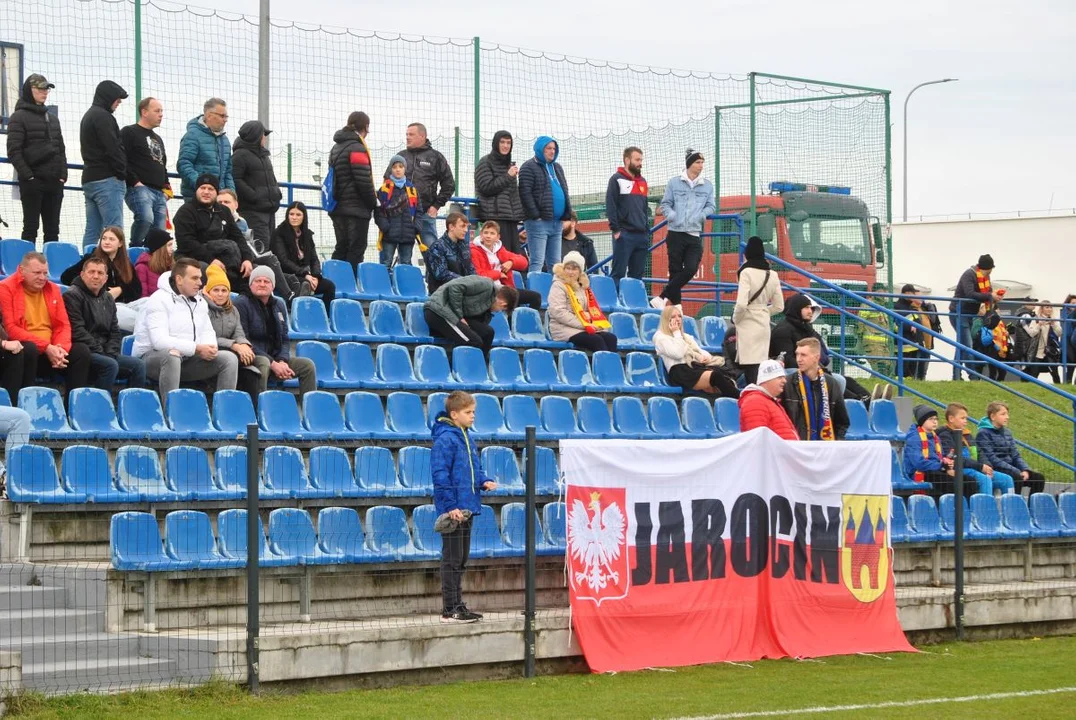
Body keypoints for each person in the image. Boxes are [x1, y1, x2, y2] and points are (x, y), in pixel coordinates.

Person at [432, 390, 497, 623]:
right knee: (451, 558)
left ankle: (458, 604)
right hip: (454, 509)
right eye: (468, 412)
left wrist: (483, 481)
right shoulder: (446, 439)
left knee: (461, 558)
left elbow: (473, 468)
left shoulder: (467, 436)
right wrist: (450, 506)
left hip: (468, 507)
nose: (473, 416)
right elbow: (440, 475)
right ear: (454, 413)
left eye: (474, 412)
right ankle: (450, 609)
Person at [132, 258, 238, 400]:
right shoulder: (158, 299)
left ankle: (224, 415)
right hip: (151, 359)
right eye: (195, 278)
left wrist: (209, 348)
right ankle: (170, 413)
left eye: (200, 278)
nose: (200, 283)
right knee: (172, 356)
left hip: (187, 358)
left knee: (229, 359)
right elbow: (159, 341)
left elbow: (207, 331)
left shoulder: (200, 301)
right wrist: (197, 348)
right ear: (179, 279)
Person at [0, 252, 93, 396]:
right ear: (22, 270)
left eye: (45, 273)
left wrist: (59, 348)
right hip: (28, 352)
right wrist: (46, 347)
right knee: (28, 348)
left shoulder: (53, 289)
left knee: (81, 351)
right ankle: (24, 402)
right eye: (37, 273)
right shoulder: (5, 288)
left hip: (52, 352)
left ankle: (73, 409)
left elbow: (63, 325)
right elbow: (11, 329)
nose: (42, 278)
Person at [769, 292, 881, 402]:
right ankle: (859, 402)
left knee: (844, 380)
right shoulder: (783, 330)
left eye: (811, 308)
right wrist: (812, 367)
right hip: (792, 371)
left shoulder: (806, 328)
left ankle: (869, 399)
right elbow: (787, 360)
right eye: (807, 308)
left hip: (810, 368)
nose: (810, 311)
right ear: (797, 309)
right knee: (833, 381)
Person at [62, 255, 146, 391]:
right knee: (110, 365)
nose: (96, 276)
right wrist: (102, 352)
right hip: (83, 351)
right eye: (91, 272)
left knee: (139, 365)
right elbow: (77, 331)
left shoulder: (108, 298)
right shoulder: (72, 295)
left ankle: (132, 407)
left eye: (100, 273)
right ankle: (101, 406)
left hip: (105, 352)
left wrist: (110, 351)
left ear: (106, 278)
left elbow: (114, 331)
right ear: (82, 275)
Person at [235, 266, 317, 396]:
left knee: (307, 366)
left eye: (266, 281)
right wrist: (273, 363)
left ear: (273, 286)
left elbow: (284, 338)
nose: (262, 284)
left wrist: (282, 360)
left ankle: (310, 411)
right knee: (264, 363)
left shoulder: (278, 304)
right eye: (258, 281)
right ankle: (259, 410)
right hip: (253, 358)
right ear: (250, 284)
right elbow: (244, 340)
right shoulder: (241, 303)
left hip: (276, 360)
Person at [6, 74, 67, 243]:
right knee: (31, 227)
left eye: (46, 88)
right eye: (40, 88)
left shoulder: (53, 119)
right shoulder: (18, 117)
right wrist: (29, 176)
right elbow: (13, 151)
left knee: (53, 230)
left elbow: (61, 149)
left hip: (54, 181)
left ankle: (52, 267)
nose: (44, 92)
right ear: (29, 90)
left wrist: (63, 175)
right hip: (32, 181)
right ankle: (28, 268)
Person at [653, 149, 716, 310]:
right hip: (675, 232)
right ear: (689, 164)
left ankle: (661, 297)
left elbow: (711, 206)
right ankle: (678, 308)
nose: (701, 166)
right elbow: (665, 204)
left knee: (690, 268)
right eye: (697, 162)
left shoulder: (707, 185)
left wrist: (702, 215)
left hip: (694, 234)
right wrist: (672, 215)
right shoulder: (674, 183)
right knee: (674, 271)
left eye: (702, 162)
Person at [172, 174, 254, 290]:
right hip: (193, 257)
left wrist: (247, 259)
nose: (206, 192)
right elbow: (187, 243)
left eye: (210, 189)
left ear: (216, 192)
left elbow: (238, 237)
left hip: (224, 256)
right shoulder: (185, 212)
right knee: (207, 269)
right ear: (197, 190)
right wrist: (211, 259)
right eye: (203, 188)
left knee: (256, 271)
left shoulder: (223, 211)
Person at [217, 189, 296, 301]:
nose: (223, 205)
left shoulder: (242, 222)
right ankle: (288, 293)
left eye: (227, 202)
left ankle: (289, 294)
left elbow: (245, 244)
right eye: (220, 203)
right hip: (232, 261)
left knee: (271, 259)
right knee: (262, 269)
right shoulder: (215, 221)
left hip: (246, 257)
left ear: (236, 205)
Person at [61, 226, 142, 332]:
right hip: (104, 306)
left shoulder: (126, 263)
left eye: (111, 239)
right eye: (104, 238)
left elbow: (137, 290)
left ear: (120, 243)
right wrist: (100, 292)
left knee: (148, 303)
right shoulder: (91, 260)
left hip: (126, 304)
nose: (106, 242)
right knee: (142, 321)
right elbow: (66, 277)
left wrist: (121, 290)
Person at [79, 80, 129, 248]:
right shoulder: (103, 117)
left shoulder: (89, 115)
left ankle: (87, 265)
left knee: (92, 230)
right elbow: (112, 148)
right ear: (108, 98)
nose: (119, 103)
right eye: (117, 99)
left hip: (90, 179)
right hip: (107, 179)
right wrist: (122, 172)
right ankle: (116, 269)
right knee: (114, 230)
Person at [202, 264, 260, 402]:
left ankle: (252, 416)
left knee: (253, 370)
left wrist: (244, 345)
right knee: (233, 359)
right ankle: (224, 408)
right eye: (216, 290)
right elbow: (205, 338)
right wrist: (234, 345)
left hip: (232, 352)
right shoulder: (202, 308)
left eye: (224, 290)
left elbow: (239, 333)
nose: (221, 294)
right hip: (209, 354)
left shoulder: (233, 310)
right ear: (208, 291)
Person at [328, 111, 378, 270]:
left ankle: (334, 282)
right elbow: (363, 180)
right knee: (356, 250)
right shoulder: (358, 148)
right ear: (366, 127)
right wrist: (373, 202)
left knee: (341, 247)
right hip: (356, 209)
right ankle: (351, 288)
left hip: (337, 207)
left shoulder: (336, 147)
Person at [653, 304, 738, 397]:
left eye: (679, 316)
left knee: (722, 379)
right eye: (673, 317)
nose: (677, 319)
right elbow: (678, 353)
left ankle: (733, 401)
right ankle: (740, 397)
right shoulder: (660, 337)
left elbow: (699, 350)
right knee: (715, 376)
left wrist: (703, 357)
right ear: (666, 320)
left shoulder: (686, 337)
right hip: (679, 371)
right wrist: (676, 333)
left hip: (693, 367)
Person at [396, 122, 456, 252]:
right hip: (402, 214)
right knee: (404, 255)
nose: (407, 137)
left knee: (432, 253)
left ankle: (433, 273)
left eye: (411, 134)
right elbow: (388, 181)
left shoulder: (436, 157)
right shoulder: (400, 156)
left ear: (422, 136)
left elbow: (449, 184)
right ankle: (404, 272)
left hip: (425, 214)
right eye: (406, 134)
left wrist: (436, 206)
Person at [732, 236, 783, 384]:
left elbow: (741, 304)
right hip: (763, 323)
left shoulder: (745, 272)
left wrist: (736, 318)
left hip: (747, 323)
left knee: (750, 369)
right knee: (760, 367)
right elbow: (779, 306)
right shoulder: (772, 274)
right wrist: (764, 311)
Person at [424, 276, 518, 356]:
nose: (498, 311)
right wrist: (459, 316)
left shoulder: (488, 302)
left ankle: (480, 367)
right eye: (501, 310)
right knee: (474, 342)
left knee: (488, 333)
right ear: (503, 304)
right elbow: (455, 287)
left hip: (452, 314)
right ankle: (453, 369)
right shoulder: (486, 284)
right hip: (438, 311)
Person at [120, 97, 169, 247]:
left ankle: (152, 261)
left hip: (159, 192)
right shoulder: (129, 132)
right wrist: (135, 182)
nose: (161, 114)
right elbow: (122, 158)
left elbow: (162, 163)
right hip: (140, 188)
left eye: (161, 111)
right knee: (145, 218)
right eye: (157, 111)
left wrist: (167, 189)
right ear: (144, 112)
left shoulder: (158, 138)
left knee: (159, 232)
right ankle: (134, 249)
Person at [270, 201, 336, 312]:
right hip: (287, 275)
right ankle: (299, 316)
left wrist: (315, 276)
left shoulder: (307, 234)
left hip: (306, 275)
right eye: (291, 214)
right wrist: (305, 274)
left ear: (303, 217)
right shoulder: (278, 233)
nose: (294, 217)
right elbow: (283, 260)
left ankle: (325, 317)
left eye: (298, 214)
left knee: (330, 286)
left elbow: (314, 259)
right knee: (304, 284)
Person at [519, 135, 572, 274]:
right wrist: (536, 216)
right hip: (538, 223)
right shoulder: (528, 167)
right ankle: (536, 294)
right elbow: (525, 193)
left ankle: (555, 294)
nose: (552, 151)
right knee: (537, 261)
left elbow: (564, 189)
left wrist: (566, 214)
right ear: (540, 149)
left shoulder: (557, 167)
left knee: (555, 263)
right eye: (548, 148)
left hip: (557, 222)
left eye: (554, 148)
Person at [547, 251, 618, 353]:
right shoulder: (558, 285)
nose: (571, 272)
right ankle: (600, 368)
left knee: (611, 338)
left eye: (575, 269)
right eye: (568, 268)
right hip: (563, 327)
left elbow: (592, 309)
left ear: (580, 271)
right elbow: (558, 312)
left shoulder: (583, 286)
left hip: (583, 326)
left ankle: (610, 368)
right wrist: (584, 324)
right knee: (596, 340)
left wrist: (592, 321)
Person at [782, 338, 849, 442]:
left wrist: (837, 444)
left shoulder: (831, 384)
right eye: (797, 354)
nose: (798, 359)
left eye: (803, 355)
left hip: (824, 448)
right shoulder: (787, 383)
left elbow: (842, 421)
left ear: (816, 357)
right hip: (796, 446)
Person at [941, 402, 1014, 496]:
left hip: (975, 467)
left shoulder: (967, 434)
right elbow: (956, 458)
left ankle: (1010, 508)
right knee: (985, 480)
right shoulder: (945, 436)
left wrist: (987, 466)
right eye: (962, 418)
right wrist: (980, 467)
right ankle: (985, 509)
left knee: (1007, 479)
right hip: (962, 469)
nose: (966, 421)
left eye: (966, 418)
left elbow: (979, 452)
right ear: (951, 419)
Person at [950, 254, 1003, 380]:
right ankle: (973, 377)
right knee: (967, 345)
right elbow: (970, 293)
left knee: (963, 345)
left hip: (970, 314)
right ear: (989, 268)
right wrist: (991, 296)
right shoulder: (969, 274)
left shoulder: (985, 277)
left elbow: (987, 292)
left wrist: (994, 296)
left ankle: (956, 375)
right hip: (959, 312)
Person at [976, 401, 1047, 496]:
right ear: (993, 416)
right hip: (997, 468)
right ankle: (1014, 507)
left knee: (1038, 478)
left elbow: (1015, 455)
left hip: (1012, 468)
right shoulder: (983, 433)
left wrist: (1025, 469)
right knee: (1016, 477)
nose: (1007, 417)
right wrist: (1016, 470)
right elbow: (992, 458)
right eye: (1003, 414)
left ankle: (1031, 508)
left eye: (1007, 414)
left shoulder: (1007, 432)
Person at [231, 120, 282, 247]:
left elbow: (272, 178)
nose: (264, 138)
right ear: (255, 136)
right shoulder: (240, 155)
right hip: (252, 212)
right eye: (263, 134)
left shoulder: (263, 156)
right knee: (260, 247)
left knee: (269, 246)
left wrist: (277, 193)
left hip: (269, 211)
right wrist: (254, 196)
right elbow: (236, 179)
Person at [605, 147, 651, 287]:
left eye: (641, 160)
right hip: (624, 234)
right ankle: (616, 307)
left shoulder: (643, 181)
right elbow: (610, 205)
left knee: (637, 277)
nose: (640, 163)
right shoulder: (616, 179)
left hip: (641, 236)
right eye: (637, 160)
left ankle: (634, 308)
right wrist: (616, 230)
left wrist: (646, 229)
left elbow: (644, 207)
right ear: (627, 160)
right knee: (618, 273)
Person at [470, 222, 541, 310]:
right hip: (487, 289)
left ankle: (528, 322)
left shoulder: (500, 250)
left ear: (498, 237)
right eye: (486, 232)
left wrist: (511, 262)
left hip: (505, 289)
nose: (488, 236)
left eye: (492, 233)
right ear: (481, 234)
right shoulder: (474, 251)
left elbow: (524, 262)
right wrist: (498, 274)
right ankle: (511, 321)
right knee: (511, 302)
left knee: (536, 297)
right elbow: (477, 274)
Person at [475, 130, 524, 254]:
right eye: (502, 142)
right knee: (500, 257)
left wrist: (520, 215)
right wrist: (507, 176)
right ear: (496, 143)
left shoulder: (509, 165)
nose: (505, 146)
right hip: (494, 217)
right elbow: (486, 187)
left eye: (508, 143)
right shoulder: (485, 162)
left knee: (514, 257)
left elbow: (513, 194)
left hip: (511, 218)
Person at [177, 98, 233, 198]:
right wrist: (202, 186)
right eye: (222, 116)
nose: (225, 120)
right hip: (196, 198)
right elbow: (184, 164)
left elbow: (228, 172)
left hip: (219, 198)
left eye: (226, 116)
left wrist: (231, 193)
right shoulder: (192, 136)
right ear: (209, 115)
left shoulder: (225, 140)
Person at [375, 154, 421, 267]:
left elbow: (419, 210)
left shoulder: (412, 190)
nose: (398, 169)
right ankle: (385, 285)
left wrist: (416, 227)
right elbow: (378, 211)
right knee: (386, 263)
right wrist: (385, 227)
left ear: (405, 169)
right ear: (391, 169)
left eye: (401, 166)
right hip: (389, 234)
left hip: (408, 234)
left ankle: (404, 285)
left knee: (406, 264)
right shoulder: (384, 189)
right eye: (395, 167)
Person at [902, 405, 955, 498]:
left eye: (936, 419)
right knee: (951, 482)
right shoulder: (914, 438)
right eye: (931, 419)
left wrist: (947, 463)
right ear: (922, 421)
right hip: (920, 472)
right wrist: (942, 466)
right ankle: (951, 509)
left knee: (968, 480)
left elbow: (941, 457)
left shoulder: (936, 437)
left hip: (935, 469)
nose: (935, 421)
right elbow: (918, 463)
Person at [738, 359, 797, 439]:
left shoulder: (769, 401)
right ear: (766, 379)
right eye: (779, 377)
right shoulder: (755, 402)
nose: (784, 381)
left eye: (784, 377)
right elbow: (757, 440)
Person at [423, 212, 475, 294]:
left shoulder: (464, 245)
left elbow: (470, 268)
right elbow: (441, 274)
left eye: (467, 226)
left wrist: (475, 281)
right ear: (451, 227)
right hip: (442, 294)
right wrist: (465, 281)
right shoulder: (437, 247)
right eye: (462, 226)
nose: (466, 230)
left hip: (462, 290)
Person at [894, 284, 929, 381]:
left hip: (914, 343)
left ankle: (910, 383)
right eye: (907, 293)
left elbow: (919, 326)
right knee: (902, 368)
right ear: (902, 293)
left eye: (911, 293)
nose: (910, 295)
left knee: (911, 370)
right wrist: (910, 327)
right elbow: (895, 325)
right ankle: (899, 384)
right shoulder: (896, 307)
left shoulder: (912, 308)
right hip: (902, 343)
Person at [1023, 301, 1063, 384]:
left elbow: (1059, 333)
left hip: (1050, 351)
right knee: (1034, 374)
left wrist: (1053, 324)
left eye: (1050, 307)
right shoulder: (1036, 319)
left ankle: (1060, 393)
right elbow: (1031, 333)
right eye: (1047, 307)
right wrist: (1039, 325)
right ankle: (1031, 391)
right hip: (1038, 351)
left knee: (1055, 374)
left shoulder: (1054, 319)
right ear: (1041, 309)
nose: (1049, 309)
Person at [135, 227, 174, 299]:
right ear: (159, 248)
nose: (172, 248)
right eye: (169, 245)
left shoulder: (171, 265)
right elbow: (143, 297)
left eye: (172, 245)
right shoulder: (141, 268)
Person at [977, 308, 1011, 382]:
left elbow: (1001, 335)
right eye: (997, 310)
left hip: (1000, 349)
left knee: (1001, 371)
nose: (999, 311)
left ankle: (997, 383)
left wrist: (1006, 334)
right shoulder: (989, 323)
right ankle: (993, 383)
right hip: (993, 349)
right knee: (993, 370)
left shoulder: (1000, 323)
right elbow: (992, 337)